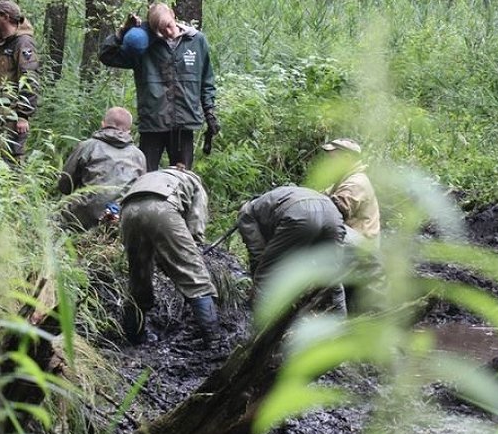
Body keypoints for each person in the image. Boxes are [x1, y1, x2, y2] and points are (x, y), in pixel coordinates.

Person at [99, 2, 218, 171]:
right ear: (154, 30)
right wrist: (122, 32)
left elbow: (206, 81)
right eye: (162, 30)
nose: (168, 33)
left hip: (184, 125)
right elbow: (106, 56)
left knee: (181, 180)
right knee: (145, 178)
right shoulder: (143, 47)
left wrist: (210, 113)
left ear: (173, 15)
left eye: (169, 26)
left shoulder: (196, 41)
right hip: (152, 125)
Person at [119, 165, 219, 344]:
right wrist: (192, 251)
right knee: (196, 278)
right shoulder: (194, 182)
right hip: (162, 207)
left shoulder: (153, 176)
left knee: (138, 278)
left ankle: (134, 336)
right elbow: (196, 225)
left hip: (127, 211)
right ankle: (213, 340)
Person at [237, 186, 346, 309]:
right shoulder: (274, 198)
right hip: (332, 214)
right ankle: (342, 321)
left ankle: (258, 318)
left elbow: (258, 256)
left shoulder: (246, 214)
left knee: (266, 274)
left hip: (298, 214)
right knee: (333, 276)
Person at [57, 107, 146, 230]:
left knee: (54, 219)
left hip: (83, 217)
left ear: (103, 124)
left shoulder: (87, 146)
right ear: (128, 131)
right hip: (121, 219)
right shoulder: (139, 156)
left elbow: (64, 185)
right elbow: (141, 194)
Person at [0, 0, 41, 164]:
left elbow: (30, 78)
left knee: (11, 159)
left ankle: (15, 189)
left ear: (5, 17)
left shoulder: (23, 43)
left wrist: (23, 115)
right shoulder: (3, 42)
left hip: (13, 114)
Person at [321, 138, 380, 244]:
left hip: (364, 247)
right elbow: (321, 197)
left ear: (346, 158)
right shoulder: (345, 179)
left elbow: (334, 212)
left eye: (332, 159)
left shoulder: (356, 183)